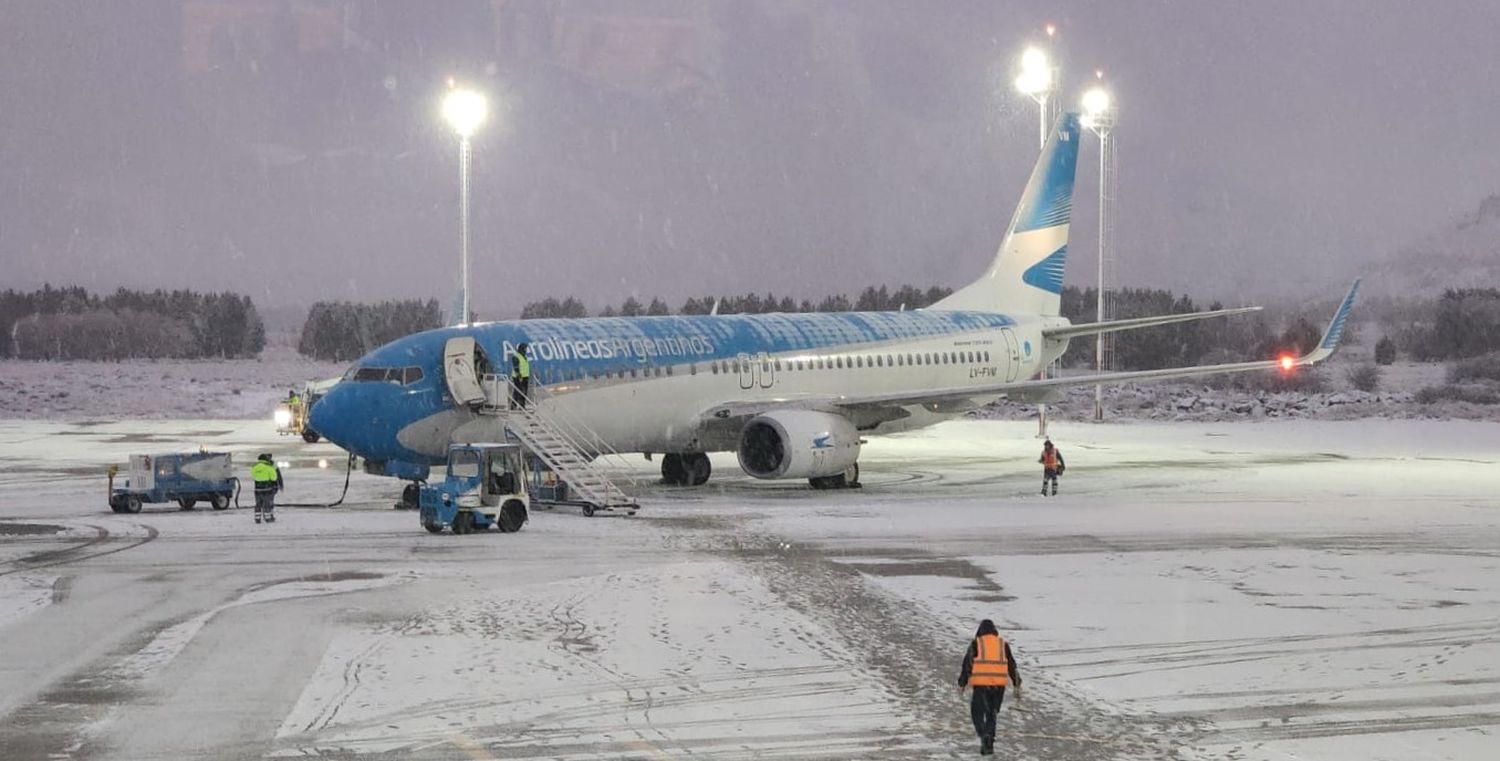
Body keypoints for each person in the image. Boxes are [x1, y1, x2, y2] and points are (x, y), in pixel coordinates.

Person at [957, 619, 1022, 756]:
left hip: (981, 685)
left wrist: (962, 683)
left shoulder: (977, 643)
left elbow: (967, 664)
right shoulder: (1003, 645)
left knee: (977, 713)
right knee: (992, 715)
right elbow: (1012, 665)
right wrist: (1017, 683)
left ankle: (984, 735)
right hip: (999, 686)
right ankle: (989, 745)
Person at [251, 453, 284, 524]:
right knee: (267, 504)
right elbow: (274, 477)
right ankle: (268, 518)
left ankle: (257, 518)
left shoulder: (254, 467)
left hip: (257, 489)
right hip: (267, 489)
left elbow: (253, 476)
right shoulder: (269, 467)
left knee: (258, 504)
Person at [509, 342, 532, 409]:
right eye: (525, 348)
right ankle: (513, 406)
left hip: (525, 377)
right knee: (517, 391)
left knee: (524, 392)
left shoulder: (524, 356)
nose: (526, 350)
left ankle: (522, 406)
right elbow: (516, 368)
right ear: (521, 349)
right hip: (518, 377)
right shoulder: (516, 356)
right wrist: (519, 377)